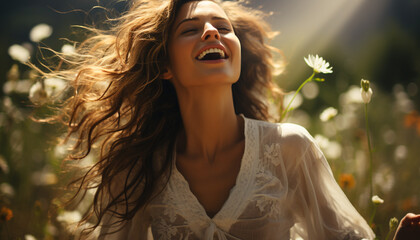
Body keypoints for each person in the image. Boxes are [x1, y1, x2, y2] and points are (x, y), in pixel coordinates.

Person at [39, 0, 418, 239]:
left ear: (236, 53)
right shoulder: (139, 167)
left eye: (223, 28)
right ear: (165, 66)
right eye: (191, 29)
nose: (211, 32)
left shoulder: (290, 147)